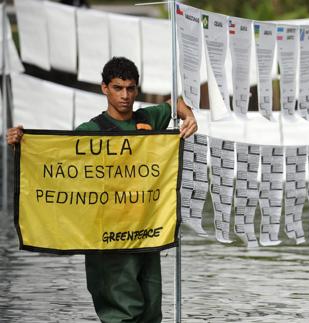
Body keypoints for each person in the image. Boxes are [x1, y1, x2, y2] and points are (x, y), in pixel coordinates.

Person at [6, 56, 198, 322]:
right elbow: (54, 162)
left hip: (147, 233)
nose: (125, 95)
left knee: (152, 309)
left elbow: (174, 104)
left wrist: (189, 116)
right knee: (121, 311)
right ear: (104, 88)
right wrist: (21, 143)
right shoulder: (90, 130)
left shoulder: (148, 118)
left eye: (131, 88)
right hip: (106, 237)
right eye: (118, 88)